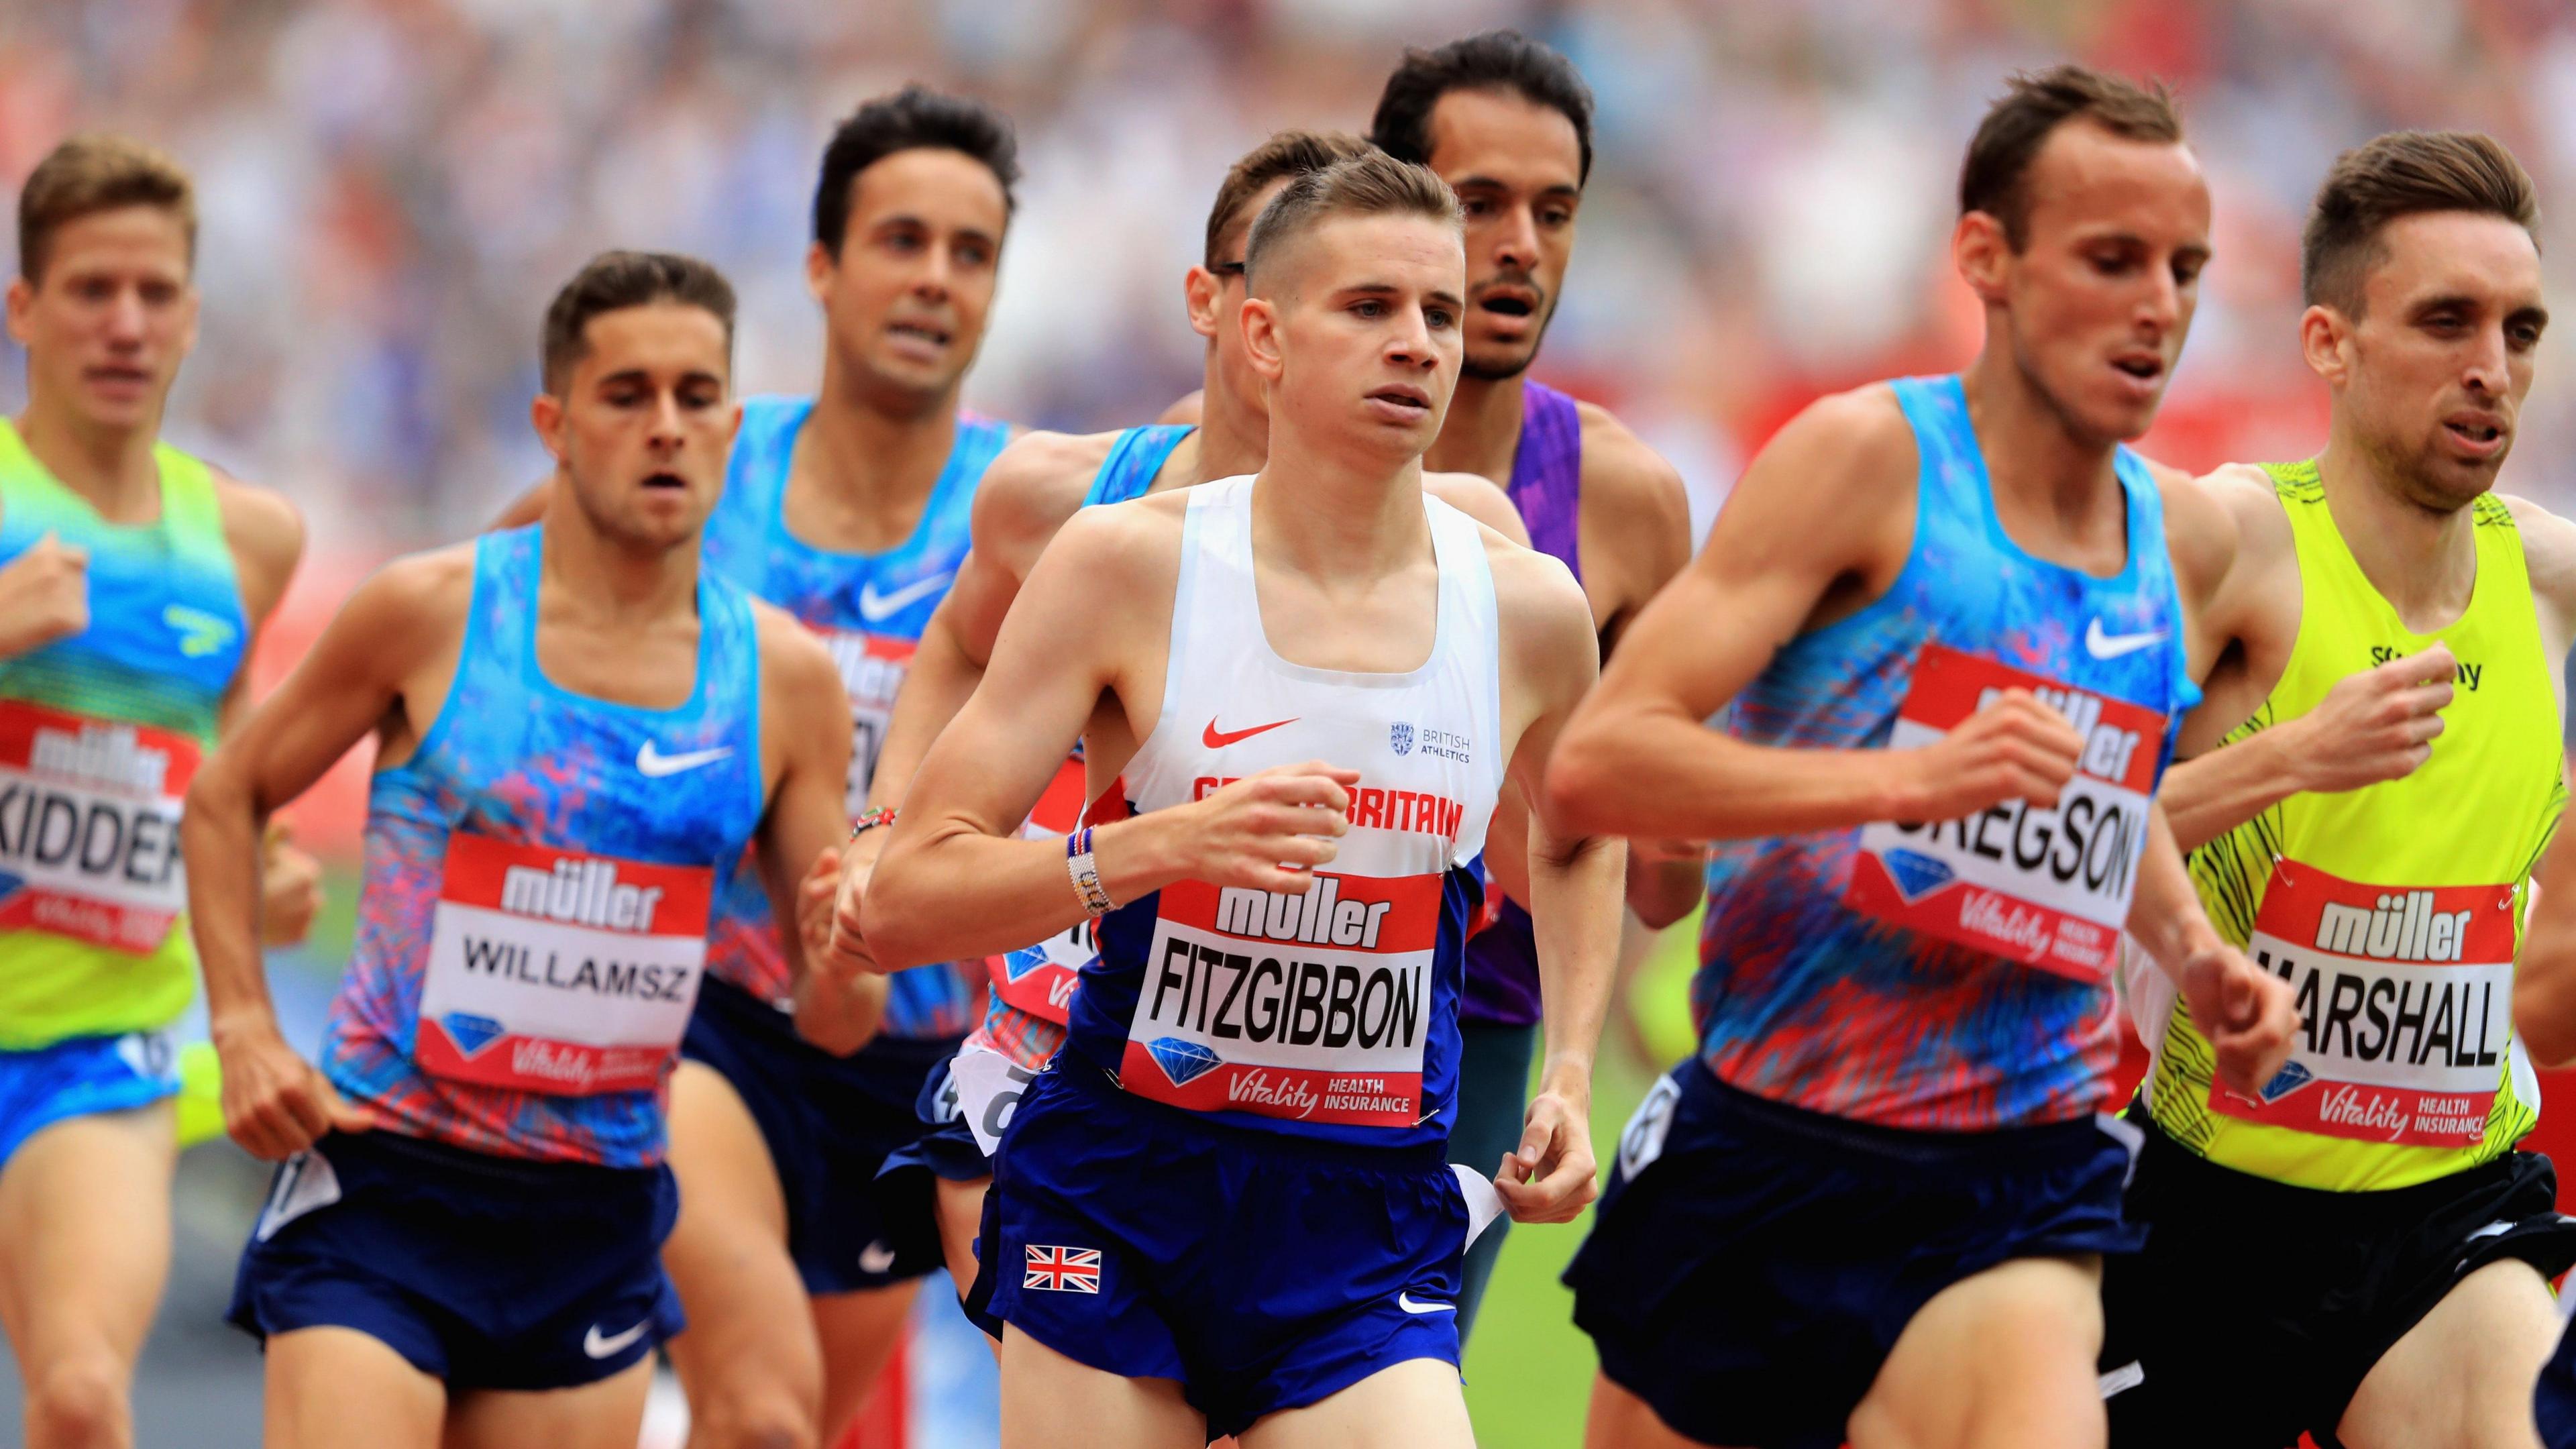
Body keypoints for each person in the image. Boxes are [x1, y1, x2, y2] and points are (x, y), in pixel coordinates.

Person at [1542, 66, 2298, 1449]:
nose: (2160, 306)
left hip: (2021, 1166)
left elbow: (2105, 806)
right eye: (2112, 259)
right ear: (1985, 260)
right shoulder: (1867, 464)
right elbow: (1602, 765)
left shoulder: (2177, 539)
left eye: (2185, 268)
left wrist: (2197, 957)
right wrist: (1894, 781)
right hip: (1772, 1147)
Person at [851, 152, 1621, 1449]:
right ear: (1260, 333)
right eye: (1369, 307)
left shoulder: (1527, 607)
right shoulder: (1124, 567)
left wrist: (1573, 1067)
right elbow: (910, 898)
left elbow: (1578, 826)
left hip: (1362, 1211)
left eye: (1438, 312)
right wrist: (1155, 848)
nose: (1419, 345)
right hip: (1124, 1185)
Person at [190, 251, 866, 1449]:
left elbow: (837, 1013)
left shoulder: (786, 682)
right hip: (383, 1183)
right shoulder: (434, 611)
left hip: (590, 1223)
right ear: (554, 422)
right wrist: (244, 1028)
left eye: (697, 396)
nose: (666, 427)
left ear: (732, 422)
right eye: (626, 395)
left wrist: (859, 936)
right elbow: (228, 794)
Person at [493, 85, 1023, 1446]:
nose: (934, 279)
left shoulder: (1029, 518)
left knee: (791, 1430)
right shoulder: (708, 464)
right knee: (769, 1407)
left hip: (916, 1049)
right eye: (902, 239)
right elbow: (476, 615)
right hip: (702, 1010)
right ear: (823, 268)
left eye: (971, 253)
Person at [2100, 129, 2576, 1449]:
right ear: (2330, 343)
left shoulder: (2549, 584)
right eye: (2445, 321)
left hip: (2446, 1214)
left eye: (2521, 329)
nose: (2493, 367)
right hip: (2199, 1212)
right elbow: (2039, 829)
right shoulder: (2226, 545)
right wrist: (2289, 758)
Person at [1369, 28, 1700, 1334]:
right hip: (1239, 1017)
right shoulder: (1241, 453)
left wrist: (1662, 818)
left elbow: (1665, 887)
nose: (1520, 245)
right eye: (1478, 203)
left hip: (1484, 1042)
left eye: (1553, 211)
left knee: (1387, 1388)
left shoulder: (1623, 500)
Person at [0, 133, 317, 1449]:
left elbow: (229, 777)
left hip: (94, 1051)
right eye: (89, 290)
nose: (125, 324)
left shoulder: (247, 541)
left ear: (190, 313)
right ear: (24, 310)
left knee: (80, 1399)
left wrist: (269, 866)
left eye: (153, 293)